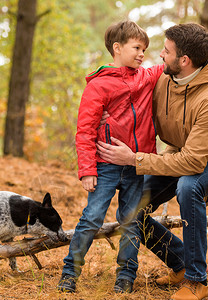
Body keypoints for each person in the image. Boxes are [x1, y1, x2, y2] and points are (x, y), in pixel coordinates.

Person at [97, 23, 208, 300]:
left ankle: (196, 281)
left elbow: (192, 163)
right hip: (179, 153)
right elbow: (131, 103)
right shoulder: (165, 78)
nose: (160, 55)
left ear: (184, 60)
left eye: (166, 51)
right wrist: (108, 114)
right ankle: (180, 264)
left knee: (189, 187)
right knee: (131, 209)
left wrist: (134, 159)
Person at [56, 20, 164, 294]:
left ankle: (125, 277)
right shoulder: (99, 85)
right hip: (104, 166)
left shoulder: (146, 77)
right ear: (117, 48)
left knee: (131, 221)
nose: (142, 53)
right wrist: (87, 169)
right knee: (92, 218)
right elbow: (85, 130)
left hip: (135, 166)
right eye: (137, 47)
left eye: (145, 49)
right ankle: (70, 273)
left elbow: (170, 64)